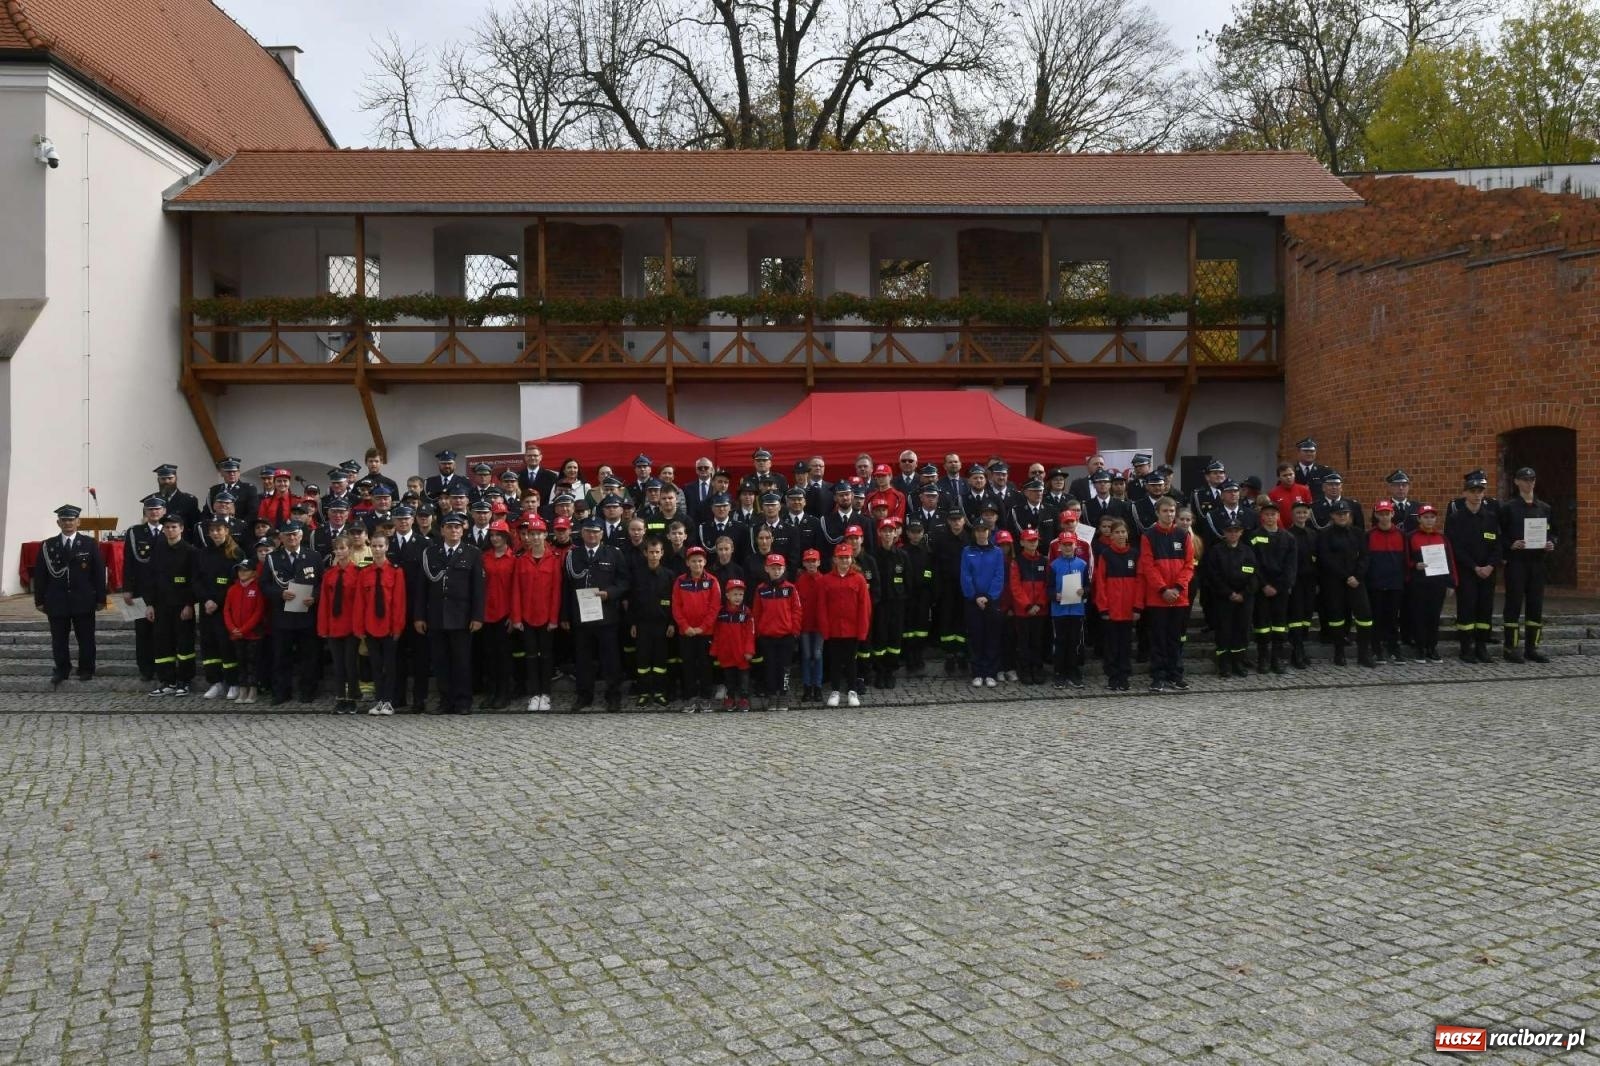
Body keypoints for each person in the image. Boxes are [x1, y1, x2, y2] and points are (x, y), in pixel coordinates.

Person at [415, 513, 485, 714]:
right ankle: (445, 701)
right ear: (443, 530)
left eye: (457, 527)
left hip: (461, 617)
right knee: (440, 662)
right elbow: (422, 588)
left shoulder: (472, 553)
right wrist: (419, 616)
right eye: (449, 527)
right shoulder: (430, 553)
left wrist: (477, 616)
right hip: (436, 617)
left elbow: (478, 589)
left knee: (462, 662)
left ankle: (463, 701)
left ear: (463, 530)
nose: (454, 530)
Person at [33, 504, 107, 688]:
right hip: (57, 600)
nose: (68, 523)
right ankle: (62, 668)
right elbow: (40, 574)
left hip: (83, 599)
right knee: (59, 638)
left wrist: (101, 598)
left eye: (71, 520)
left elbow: (98, 573)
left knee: (86, 637)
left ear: (78, 522)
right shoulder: (48, 545)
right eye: (64, 520)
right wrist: (39, 600)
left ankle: (86, 669)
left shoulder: (89, 544)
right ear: (58, 522)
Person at [563, 517, 630, 712]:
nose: (592, 535)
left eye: (596, 532)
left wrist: (609, 593)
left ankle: (613, 695)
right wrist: (565, 616)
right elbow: (566, 588)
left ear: (602, 534)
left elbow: (624, 582)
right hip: (581, 617)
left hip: (607, 615)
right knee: (583, 659)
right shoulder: (572, 556)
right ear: (582, 533)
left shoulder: (613, 554)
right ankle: (584, 695)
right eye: (588, 531)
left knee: (610, 659)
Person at [1500, 466, 1555, 663]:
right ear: (1516, 482)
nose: (1528, 483)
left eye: (1531, 479)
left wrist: (1551, 543)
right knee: (1513, 604)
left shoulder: (1545, 508)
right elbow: (1500, 535)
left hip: (1537, 563)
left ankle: (1532, 647)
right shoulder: (1508, 508)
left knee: (1535, 605)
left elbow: (1553, 533)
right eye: (1524, 479)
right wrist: (1510, 544)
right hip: (1516, 562)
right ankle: (1510, 647)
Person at [1140, 497, 1195, 693]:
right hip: (1158, 598)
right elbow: (1148, 566)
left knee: (1175, 638)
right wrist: (1163, 589)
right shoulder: (1149, 536)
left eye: (1172, 511)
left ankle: (1176, 675)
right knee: (1158, 639)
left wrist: (1178, 588)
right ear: (1157, 513)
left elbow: (1189, 565)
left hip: (1179, 598)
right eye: (1165, 511)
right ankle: (1158, 676)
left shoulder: (1183, 535)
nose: (1170, 514)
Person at [1445, 470, 1500, 664]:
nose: (1477, 495)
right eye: (1473, 491)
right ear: (1465, 493)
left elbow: (1497, 545)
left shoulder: (1491, 518)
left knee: (1485, 610)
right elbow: (1454, 547)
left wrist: (1490, 566)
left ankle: (1482, 647)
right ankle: (1466, 648)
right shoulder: (1456, 518)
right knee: (1467, 609)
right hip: (1467, 571)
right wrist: (1474, 566)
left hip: (1488, 572)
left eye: (1480, 491)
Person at [510, 516, 563, 712]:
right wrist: (516, 617)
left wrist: (554, 619)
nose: (535, 537)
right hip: (527, 617)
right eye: (532, 534)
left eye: (539, 534)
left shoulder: (554, 559)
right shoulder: (521, 560)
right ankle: (534, 694)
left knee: (547, 657)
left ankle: (546, 694)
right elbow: (515, 590)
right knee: (531, 656)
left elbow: (556, 592)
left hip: (547, 618)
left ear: (545, 535)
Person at [353, 530, 407, 716]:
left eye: (380, 546)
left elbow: (399, 602)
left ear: (387, 547)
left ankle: (389, 701)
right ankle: (379, 700)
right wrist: (359, 628)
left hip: (389, 627)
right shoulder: (364, 572)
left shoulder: (396, 571)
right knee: (375, 665)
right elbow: (360, 602)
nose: (377, 549)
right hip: (370, 626)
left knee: (390, 666)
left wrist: (397, 627)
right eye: (374, 546)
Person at [1317, 500, 1376, 668]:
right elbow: (1326, 559)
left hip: (1357, 582)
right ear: (1332, 516)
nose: (1342, 516)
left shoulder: (1358, 534)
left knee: (1365, 617)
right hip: (1335, 583)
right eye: (1338, 514)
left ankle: (1364, 654)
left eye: (1345, 514)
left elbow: (1365, 557)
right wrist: (1346, 576)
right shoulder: (1325, 535)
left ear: (1349, 515)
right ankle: (1339, 653)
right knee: (1337, 619)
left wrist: (1357, 576)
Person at [146, 512, 199, 697]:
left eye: (174, 527)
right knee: (162, 644)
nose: (170, 530)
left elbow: (194, 581)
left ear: (182, 529)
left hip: (181, 606)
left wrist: (189, 604)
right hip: (161, 605)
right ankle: (167, 680)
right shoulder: (158, 550)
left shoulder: (190, 551)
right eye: (167, 527)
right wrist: (150, 604)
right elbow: (151, 579)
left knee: (184, 645)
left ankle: (184, 681)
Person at [816, 543, 871, 708]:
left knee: (851, 661)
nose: (844, 561)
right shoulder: (826, 580)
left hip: (852, 629)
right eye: (841, 558)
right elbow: (821, 607)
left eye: (846, 557)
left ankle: (852, 690)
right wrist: (825, 629)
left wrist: (862, 630)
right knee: (834, 661)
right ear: (835, 559)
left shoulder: (859, 579)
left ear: (851, 558)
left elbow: (864, 607)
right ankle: (835, 691)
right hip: (833, 629)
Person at [1202, 516, 1257, 677]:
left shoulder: (1247, 551)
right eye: (1229, 531)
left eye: (1236, 531)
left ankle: (1238, 661)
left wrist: (1244, 593)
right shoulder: (1216, 551)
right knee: (1223, 631)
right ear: (1224, 533)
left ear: (1241, 533)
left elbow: (1253, 574)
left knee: (1241, 630)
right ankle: (1224, 663)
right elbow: (1213, 576)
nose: (1233, 534)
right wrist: (1229, 593)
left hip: (1244, 599)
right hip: (1223, 598)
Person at [194, 518, 242, 699]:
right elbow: (197, 579)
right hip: (207, 608)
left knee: (227, 645)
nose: (215, 533)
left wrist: (216, 601)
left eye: (218, 529)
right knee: (209, 645)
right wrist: (205, 600)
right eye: (212, 530)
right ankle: (215, 681)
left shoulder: (236, 553)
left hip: (226, 609)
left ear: (226, 530)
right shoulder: (203, 553)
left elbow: (236, 582)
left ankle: (233, 682)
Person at [123, 495, 168, 683]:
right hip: (140, 588)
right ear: (145, 512)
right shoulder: (135, 532)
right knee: (142, 632)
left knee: (163, 630)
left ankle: (163, 668)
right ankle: (146, 669)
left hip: (164, 590)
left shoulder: (171, 529)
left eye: (157, 509)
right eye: (150, 509)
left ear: (164, 511)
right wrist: (127, 588)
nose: (154, 512)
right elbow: (128, 562)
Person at [1248, 503, 1297, 675]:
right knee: (1262, 625)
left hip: (1281, 589)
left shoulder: (1288, 538)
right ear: (1262, 517)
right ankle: (1263, 659)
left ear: (1278, 516)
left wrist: (1279, 586)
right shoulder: (1254, 537)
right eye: (1267, 514)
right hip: (1262, 589)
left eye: (1273, 514)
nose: (1270, 517)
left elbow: (1291, 566)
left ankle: (1277, 659)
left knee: (1279, 625)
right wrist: (1264, 585)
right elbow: (1253, 564)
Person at [629, 535, 677, 708]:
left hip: (662, 625)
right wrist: (633, 623)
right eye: (651, 552)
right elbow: (632, 601)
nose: (654, 555)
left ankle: (659, 692)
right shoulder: (638, 575)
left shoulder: (669, 575)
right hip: (642, 625)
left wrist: (672, 623)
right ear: (645, 553)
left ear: (662, 553)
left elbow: (674, 602)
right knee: (642, 661)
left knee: (660, 662)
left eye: (657, 552)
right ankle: (643, 693)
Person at [671, 546, 720, 713]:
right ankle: (690, 698)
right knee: (688, 666)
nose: (697, 564)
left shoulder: (712, 581)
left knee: (706, 665)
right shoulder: (680, 581)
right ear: (687, 563)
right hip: (686, 633)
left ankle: (706, 698)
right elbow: (676, 607)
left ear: (705, 562)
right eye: (693, 561)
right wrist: (685, 627)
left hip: (705, 632)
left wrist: (702, 628)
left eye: (700, 560)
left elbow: (715, 608)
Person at [1090, 521, 1138, 691]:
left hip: (1127, 609)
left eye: (1123, 531)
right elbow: (1100, 582)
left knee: (1125, 645)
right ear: (1111, 535)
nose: (1120, 535)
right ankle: (1112, 676)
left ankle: (1124, 675)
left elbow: (1140, 582)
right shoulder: (1106, 555)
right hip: (1111, 609)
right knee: (1111, 645)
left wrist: (1137, 607)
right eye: (1116, 532)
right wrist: (1103, 607)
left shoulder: (1134, 554)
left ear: (1127, 533)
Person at [317, 536, 362, 713]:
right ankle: (340, 697)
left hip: (351, 625)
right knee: (338, 664)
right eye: (336, 549)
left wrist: (359, 627)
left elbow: (359, 603)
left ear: (350, 550)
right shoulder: (329, 574)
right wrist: (323, 627)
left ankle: (352, 697)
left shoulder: (358, 573)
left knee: (350, 663)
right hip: (334, 625)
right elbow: (325, 603)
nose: (339, 552)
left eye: (343, 548)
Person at [959, 519, 1006, 688]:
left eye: (984, 530)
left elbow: (999, 576)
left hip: (991, 601)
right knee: (976, 636)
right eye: (978, 530)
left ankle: (991, 672)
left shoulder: (997, 552)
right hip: (973, 601)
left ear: (989, 532)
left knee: (992, 637)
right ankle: (978, 672)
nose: (981, 533)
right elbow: (965, 575)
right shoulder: (967, 551)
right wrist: (975, 596)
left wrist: (989, 596)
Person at [1405, 505, 1455, 663]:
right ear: (1419, 519)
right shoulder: (1410, 537)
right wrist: (1414, 565)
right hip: (1418, 584)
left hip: (1437, 584)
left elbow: (1450, 561)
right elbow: (1405, 560)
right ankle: (1420, 649)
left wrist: (1451, 583)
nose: (1429, 520)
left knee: (1434, 617)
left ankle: (1432, 648)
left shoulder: (1442, 538)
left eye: (1432, 517)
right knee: (1418, 616)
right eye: (1425, 517)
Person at [753, 553, 801, 711]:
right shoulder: (761, 589)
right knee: (770, 667)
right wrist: (759, 632)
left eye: (779, 568)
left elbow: (797, 611)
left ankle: (784, 696)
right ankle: (772, 696)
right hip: (767, 637)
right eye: (773, 568)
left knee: (785, 668)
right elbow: (756, 613)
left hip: (786, 636)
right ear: (766, 568)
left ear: (784, 568)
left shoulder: (790, 588)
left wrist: (794, 631)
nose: (776, 571)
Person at [478, 521, 519, 709]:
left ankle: (504, 693)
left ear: (506, 537)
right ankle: (492, 692)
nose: (495, 538)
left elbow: (516, 590)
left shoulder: (514, 559)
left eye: (498, 535)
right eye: (492, 535)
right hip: (487, 613)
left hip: (505, 613)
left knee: (503, 657)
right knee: (488, 656)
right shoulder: (484, 557)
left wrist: (514, 615)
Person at [867, 519, 908, 689]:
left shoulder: (902, 556)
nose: (887, 534)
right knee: (880, 638)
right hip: (880, 604)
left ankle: (891, 671)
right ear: (879, 533)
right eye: (884, 531)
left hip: (897, 604)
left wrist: (903, 598)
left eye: (890, 531)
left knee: (895, 638)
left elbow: (908, 580)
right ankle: (880, 671)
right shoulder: (873, 556)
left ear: (896, 533)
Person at [1365, 501, 1408, 664]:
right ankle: (1377, 650)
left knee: (1392, 618)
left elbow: (1406, 559)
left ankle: (1394, 649)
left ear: (1392, 514)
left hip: (1395, 584)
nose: (1384, 517)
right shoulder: (1369, 535)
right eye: (1381, 514)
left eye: (1387, 513)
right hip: (1375, 584)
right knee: (1376, 618)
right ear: (1376, 515)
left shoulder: (1401, 535)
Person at [1007, 528, 1051, 685]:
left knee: (1038, 641)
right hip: (1023, 611)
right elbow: (1015, 586)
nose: (1033, 543)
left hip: (1040, 610)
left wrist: (1039, 604)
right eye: (1029, 540)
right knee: (1024, 642)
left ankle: (1037, 668)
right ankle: (1025, 669)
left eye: (1035, 540)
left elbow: (1048, 585)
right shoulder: (1017, 561)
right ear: (1022, 542)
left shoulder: (1045, 561)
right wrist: (1027, 606)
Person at [223, 556, 266, 704]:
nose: (242, 573)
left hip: (253, 634)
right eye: (240, 570)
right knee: (240, 662)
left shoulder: (257, 588)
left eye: (246, 570)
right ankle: (242, 688)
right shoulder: (232, 589)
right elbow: (226, 610)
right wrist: (232, 628)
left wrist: (244, 629)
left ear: (254, 573)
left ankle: (253, 690)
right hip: (237, 634)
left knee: (252, 662)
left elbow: (258, 611)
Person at [710, 579, 756, 711]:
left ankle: (744, 698)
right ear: (727, 595)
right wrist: (715, 649)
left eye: (740, 594)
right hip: (726, 652)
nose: (738, 597)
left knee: (744, 678)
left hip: (742, 652)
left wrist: (749, 651)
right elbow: (717, 633)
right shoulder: (721, 613)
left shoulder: (746, 612)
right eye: (735, 594)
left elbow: (750, 633)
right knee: (729, 678)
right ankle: (730, 697)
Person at [1285, 500, 1318, 668]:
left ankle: (1301, 648)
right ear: (1292, 515)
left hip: (1310, 581)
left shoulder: (1313, 534)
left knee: (1306, 616)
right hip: (1295, 581)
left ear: (1309, 514)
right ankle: (1297, 651)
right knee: (1296, 617)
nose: (1301, 515)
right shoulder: (1287, 534)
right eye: (1298, 512)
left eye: (1304, 512)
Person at [794, 549, 825, 702]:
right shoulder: (800, 582)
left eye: (814, 561)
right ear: (804, 563)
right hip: (805, 626)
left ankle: (818, 687)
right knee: (806, 656)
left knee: (818, 656)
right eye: (808, 561)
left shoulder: (824, 580)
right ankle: (807, 687)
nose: (811, 564)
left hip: (819, 627)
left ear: (819, 562)